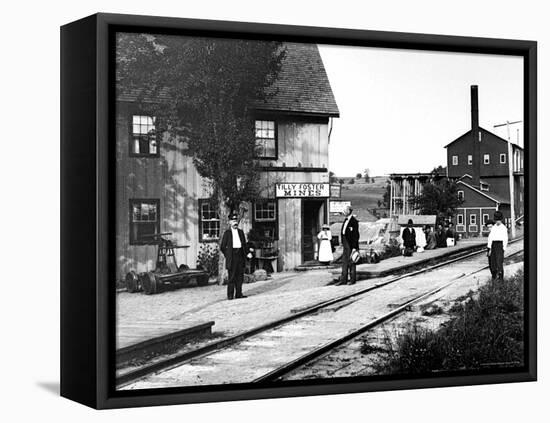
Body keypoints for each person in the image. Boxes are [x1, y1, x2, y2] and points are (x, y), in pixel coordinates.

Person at [220, 212, 248, 300]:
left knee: (240, 276)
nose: (235, 222)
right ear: (229, 222)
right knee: (232, 277)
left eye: (236, 220)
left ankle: (239, 294)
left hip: (240, 255)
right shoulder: (227, 233)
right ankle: (230, 295)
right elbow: (222, 247)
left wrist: (246, 253)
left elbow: (244, 244)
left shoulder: (241, 232)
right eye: (233, 220)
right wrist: (228, 255)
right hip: (232, 256)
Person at [337, 205, 359, 285]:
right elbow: (343, 233)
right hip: (345, 244)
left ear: (349, 211)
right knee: (344, 262)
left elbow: (355, 235)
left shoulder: (354, 221)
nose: (343, 212)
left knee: (352, 262)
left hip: (350, 245)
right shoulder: (345, 220)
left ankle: (352, 280)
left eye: (345, 210)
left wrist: (354, 247)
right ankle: (343, 280)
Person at [487, 211, 508, 281]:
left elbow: (505, 239)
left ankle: (501, 278)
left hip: (500, 245)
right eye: (496, 220)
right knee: (493, 263)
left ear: (501, 220)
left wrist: (503, 248)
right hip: (493, 245)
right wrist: (489, 248)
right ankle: (494, 277)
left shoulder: (503, 228)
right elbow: (490, 238)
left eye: (499, 220)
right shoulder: (493, 228)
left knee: (499, 262)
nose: (497, 222)